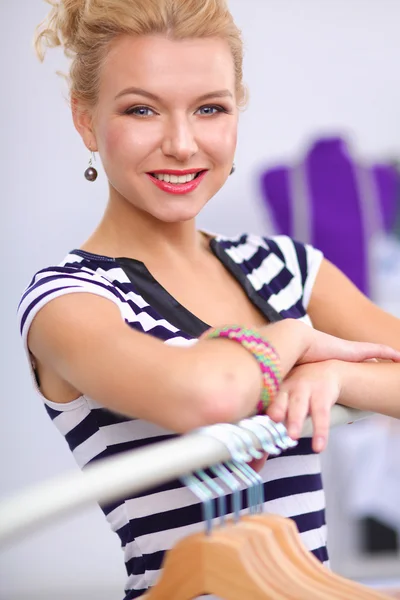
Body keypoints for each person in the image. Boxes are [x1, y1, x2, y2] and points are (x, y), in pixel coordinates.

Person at [17, 0, 400, 598]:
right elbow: (207, 395)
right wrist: (292, 336)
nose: (181, 143)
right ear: (86, 120)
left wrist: (333, 376)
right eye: (141, 109)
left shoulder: (288, 269)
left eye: (210, 109)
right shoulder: (70, 300)